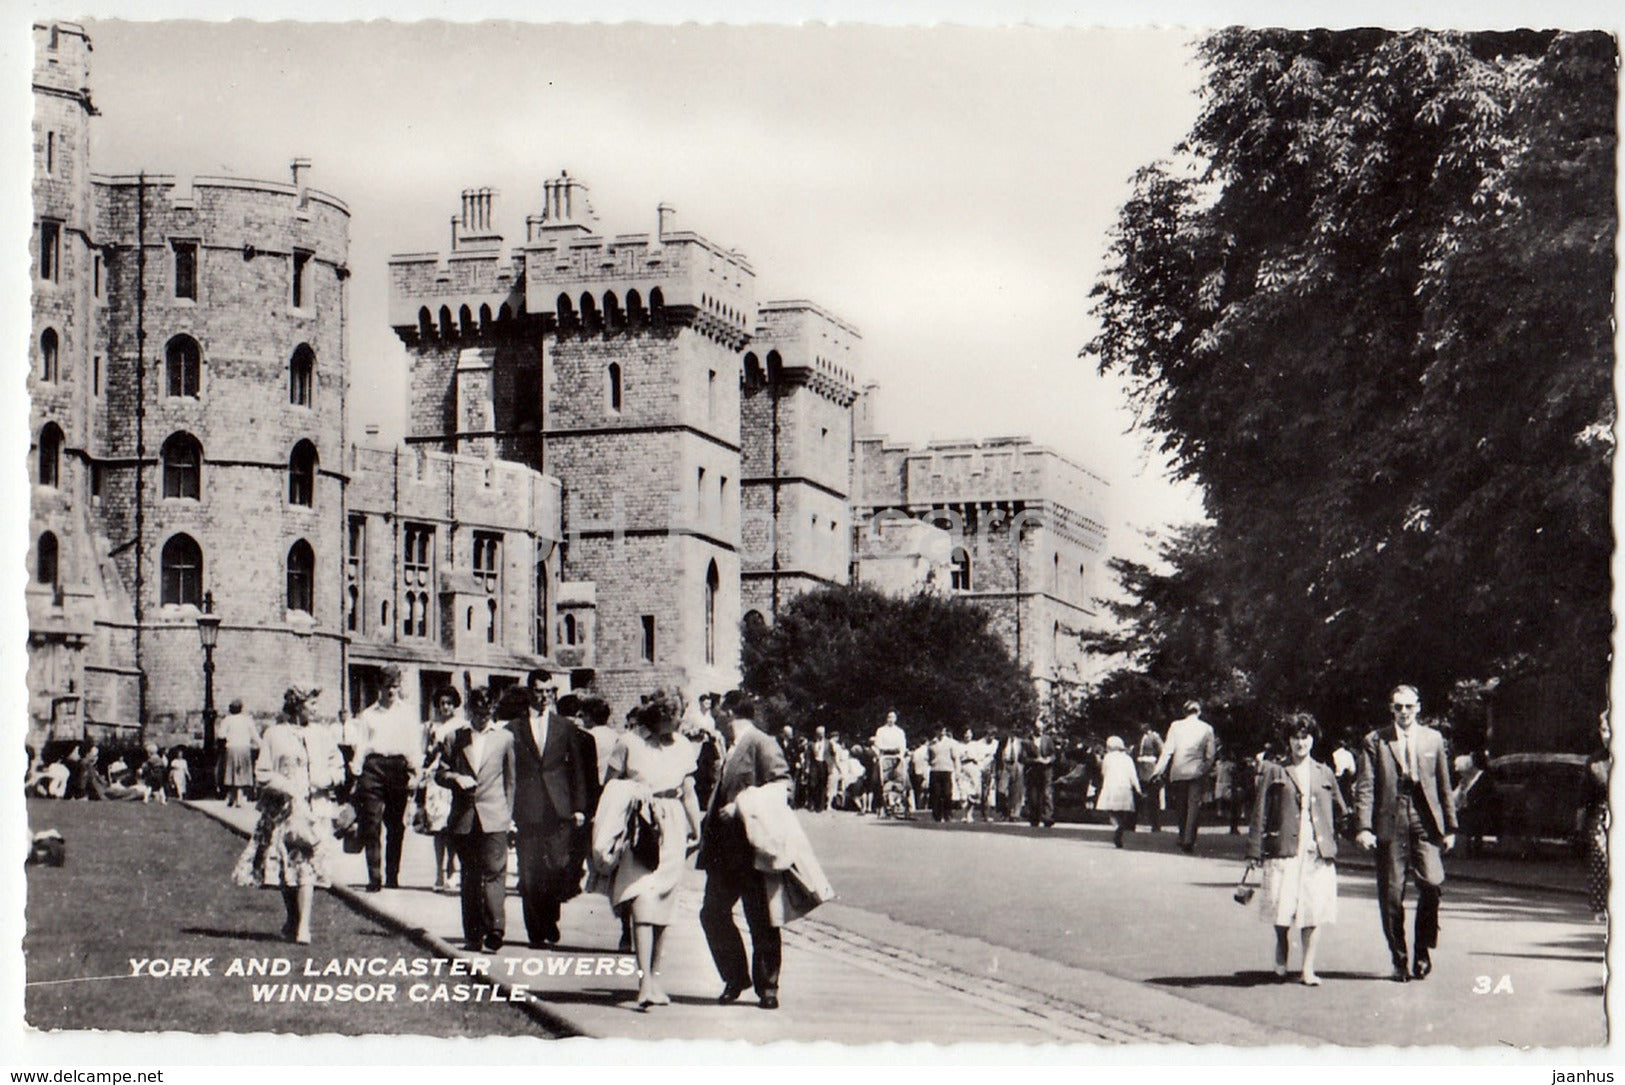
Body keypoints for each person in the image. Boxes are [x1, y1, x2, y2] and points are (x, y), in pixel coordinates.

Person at [600, 690, 702, 1008]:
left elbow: (688, 791)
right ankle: (644, 981)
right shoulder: (629, 743)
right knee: (642, 898)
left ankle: (654, 979)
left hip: (672, 824)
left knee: (664, 905)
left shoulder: (684, 746)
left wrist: (696, 829)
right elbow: (610, 784)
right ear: (660, 715)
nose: (681, 720)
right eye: (676, 714)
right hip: (640, 825)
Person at [1353, 684, 1457, 983]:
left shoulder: (1433, 739)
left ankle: (1422, 949)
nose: (1403, 713)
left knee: (1432, 883)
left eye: (1409, 707)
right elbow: (1366, 785)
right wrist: (1363, 827)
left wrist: (1449, 827)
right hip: (1391, 818)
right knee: (1391, 894)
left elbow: (1443, 785)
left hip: (1425, 820)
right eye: (1398, 707)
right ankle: (1400, 959)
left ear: (1419, 707)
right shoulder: (1376, 741)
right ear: (1391, 709)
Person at [699, 690, 791, 1009]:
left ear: (729, 713)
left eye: (717, 712)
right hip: (723, 848)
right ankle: (735, 977)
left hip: (751, 844)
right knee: (712, 913)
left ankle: (768, 987)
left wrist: (740, 807)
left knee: (760, 917)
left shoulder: (761, 743)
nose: (714, 718)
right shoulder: (728, 746)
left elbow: (782, 785)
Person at [233, 688, 343, 944]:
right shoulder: (274, 734)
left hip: (314, 811)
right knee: (286, 867)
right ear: (297, 704)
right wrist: (287, 786)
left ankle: (303, 926)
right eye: (312, 703)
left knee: (305, 865)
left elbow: (338, 766)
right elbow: (262, 772)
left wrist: (326, 779)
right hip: (282, 811)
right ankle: (293, 918)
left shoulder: (323, 734)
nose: (316, 709)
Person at [1246, 713, 1345, 986]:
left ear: (1313, 739)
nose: (1301, 743)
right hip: (1284, 848)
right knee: (1283, 906)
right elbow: (1260, 813)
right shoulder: (1274, 771)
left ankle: (1308, 968)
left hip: (1316, 852)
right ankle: (1282, 951)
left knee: (1312, 909)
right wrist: (1254, 851)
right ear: (1288, 741)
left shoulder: (1324, 772)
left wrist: (1344, 835)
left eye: (1306, 737)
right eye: (1295, 737)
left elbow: (1340, 810)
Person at [509, 669, 597, 948]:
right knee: (529, 872)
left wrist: (580, 807)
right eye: (539, 691)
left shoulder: (564, 727)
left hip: (559, 809)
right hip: (527, 808)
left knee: (558, 867)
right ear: (529, 692)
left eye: (549, 692)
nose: (544, 697)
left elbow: (578, 771)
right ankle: (537, 931)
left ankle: (549, 916)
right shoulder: (513, 729)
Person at [435, 686, 515, 953]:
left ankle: (495, 929)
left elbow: (510, 781)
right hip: (465, 817)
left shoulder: (504, 739)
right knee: (470, 877)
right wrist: (456, 778)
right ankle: (473, 934)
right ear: (470, 710)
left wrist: (508, 816)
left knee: (494, 873)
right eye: (478, 712)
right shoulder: (454, 738)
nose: (483, 717)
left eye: (488, 712)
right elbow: (440, 773)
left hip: (495, 816)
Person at [349, 665, 423, 891]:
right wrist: (356, 771)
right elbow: (361, 745)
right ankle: (374, 876)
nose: (391, 691)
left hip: (398, 769)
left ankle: (392, 875)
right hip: (373, 769)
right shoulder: (369, 715)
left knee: (395, 825)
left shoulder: (407, 713)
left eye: (394, 686)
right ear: (379, 687)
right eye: (386, 686)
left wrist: (415, 771)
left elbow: (413, 744)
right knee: (371, 823)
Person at [1153, 700, 1217, 853]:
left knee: (1181, 806)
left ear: (1184, 712)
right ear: (1199, 712)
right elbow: (1211, 755)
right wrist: (1203, 768)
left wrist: (1158, 770)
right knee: (1193, 807)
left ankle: (1182, 836)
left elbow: (1167, 750)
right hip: (1196, 772)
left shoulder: (1176, 726)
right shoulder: (1207, 728)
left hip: (1179, 771)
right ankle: (1189, 839)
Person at [422, 686, 467, 893]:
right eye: (442, 703)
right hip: (435, 780)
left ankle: (453, 869)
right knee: (438, 828)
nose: (445, 707)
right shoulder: (431, 726)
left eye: (449, 703)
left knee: (453, 827)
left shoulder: (461, 726)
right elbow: (425, 752)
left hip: (452, 779)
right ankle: (439, 871)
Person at [1096, 736, 1141, 847]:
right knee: (1122, 811)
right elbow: (1133, 775)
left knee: (1111, 810)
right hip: (1125, 787)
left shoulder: (1108, 758)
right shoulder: (1127, 758)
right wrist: (1138, 789)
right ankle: (1120, 827)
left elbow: (1104, 772)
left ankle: (1117, 826)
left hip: (1111, 786)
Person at [1585, 717, 1610, 921]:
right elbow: (1586, 793)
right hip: (1602, 814)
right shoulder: (1595, 761)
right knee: (1600, 858)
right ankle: (1600, 907)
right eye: (1602, 730)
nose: (1605, 735)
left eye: (1609, 729)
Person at [218, 699, 259, 807]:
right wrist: (261, 745)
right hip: (244, 747)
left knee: (231, 772)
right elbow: (254, 735)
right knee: (241, 772)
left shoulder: (227, 720)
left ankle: (232, 796)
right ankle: (239, 797)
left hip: (231, 747)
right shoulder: (247, 720)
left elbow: (221, 735)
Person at [872, 711, 909, 818]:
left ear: (896, 718)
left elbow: (903, 745)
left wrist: (901, 755)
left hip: (897, 758)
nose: (891, 719)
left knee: (901, 780)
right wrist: (885, 749)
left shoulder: (899, 731)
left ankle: (899, 804)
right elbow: (878, 744)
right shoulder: (881, 730)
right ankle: (882, 806)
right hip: (885, 757)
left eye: (893, 717)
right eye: (889, 717)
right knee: (880, 781)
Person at [1022, 719, 1057, 827]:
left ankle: (1047, 817)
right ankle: (1034, 817)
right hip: (1033, 771)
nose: (1040, 731)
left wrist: (1048, 760)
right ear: (1033, 729)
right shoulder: (1027, 741)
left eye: (1041, 728)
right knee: (1033, 795)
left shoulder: (1048, 740)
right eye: (1037, 729)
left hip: (1046, 770)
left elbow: (1054, 754)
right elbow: (1023, 758)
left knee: (1047, 793)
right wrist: (1035, 760)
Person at [1134, 724, 1165, 832]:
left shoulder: (1154, 737)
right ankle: (1132, 822)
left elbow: (1162, 751)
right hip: (1140, 768)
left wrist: (1158, 768)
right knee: (1137, 796)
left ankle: (1155, 824)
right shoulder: (1140, 737)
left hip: (1150, 768)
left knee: (1153, 798)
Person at [927, 726, 959, 823]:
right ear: (936, 731)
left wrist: (957, 771)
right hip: (935, 770)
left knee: (947, 793)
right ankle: (937, 815)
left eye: (943, 730)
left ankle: (947, 814)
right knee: (936, 794)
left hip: (947, 770)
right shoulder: (932, 743)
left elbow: (955, 757)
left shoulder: (950, 743)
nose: (941, 732)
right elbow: (928, 758)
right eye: (939, 730)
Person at [806, 726, 831, 812]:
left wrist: (831, 766)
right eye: (819, 734)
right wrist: (807, 767)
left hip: (823, 764)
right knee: (812, 784)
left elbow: (832, 755)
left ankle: (820, 806)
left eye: (822, 734)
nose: (821, 735)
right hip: (814, 764)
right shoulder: (811, 744)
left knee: (822, 785)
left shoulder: (828, 743)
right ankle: (811, 803)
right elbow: (808, 756)